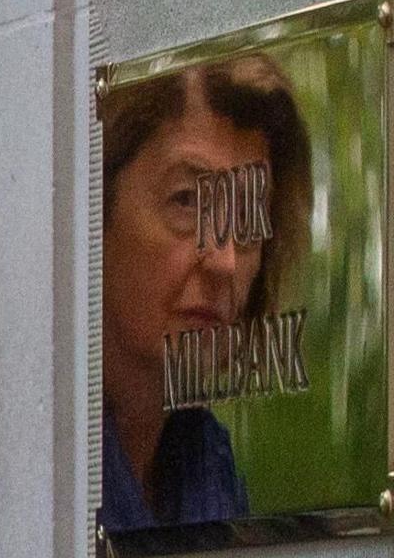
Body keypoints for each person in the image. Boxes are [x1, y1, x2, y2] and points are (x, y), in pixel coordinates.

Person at [97, 53, 310, 531]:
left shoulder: (209, 461)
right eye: (188, 201)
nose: (226, 262)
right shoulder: (40, 462)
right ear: (95, 208)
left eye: (249, 221)